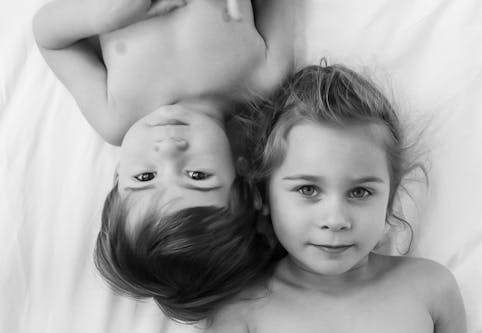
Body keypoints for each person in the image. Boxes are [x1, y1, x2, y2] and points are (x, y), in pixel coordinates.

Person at [32, 0, 294, 323]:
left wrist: (102, 14)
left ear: (118, 175)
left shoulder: (114, 116)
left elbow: (48, 37)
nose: (168, 151)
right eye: (198, 174)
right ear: (241, 174)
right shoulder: (263, 77)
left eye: (144, 177)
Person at [205, 63, 467, 332]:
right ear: (262, 195)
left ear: (390, 197)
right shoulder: (240, 311)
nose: (335, 220)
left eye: (360, 192)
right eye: (308, 190)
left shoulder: (431, 288)